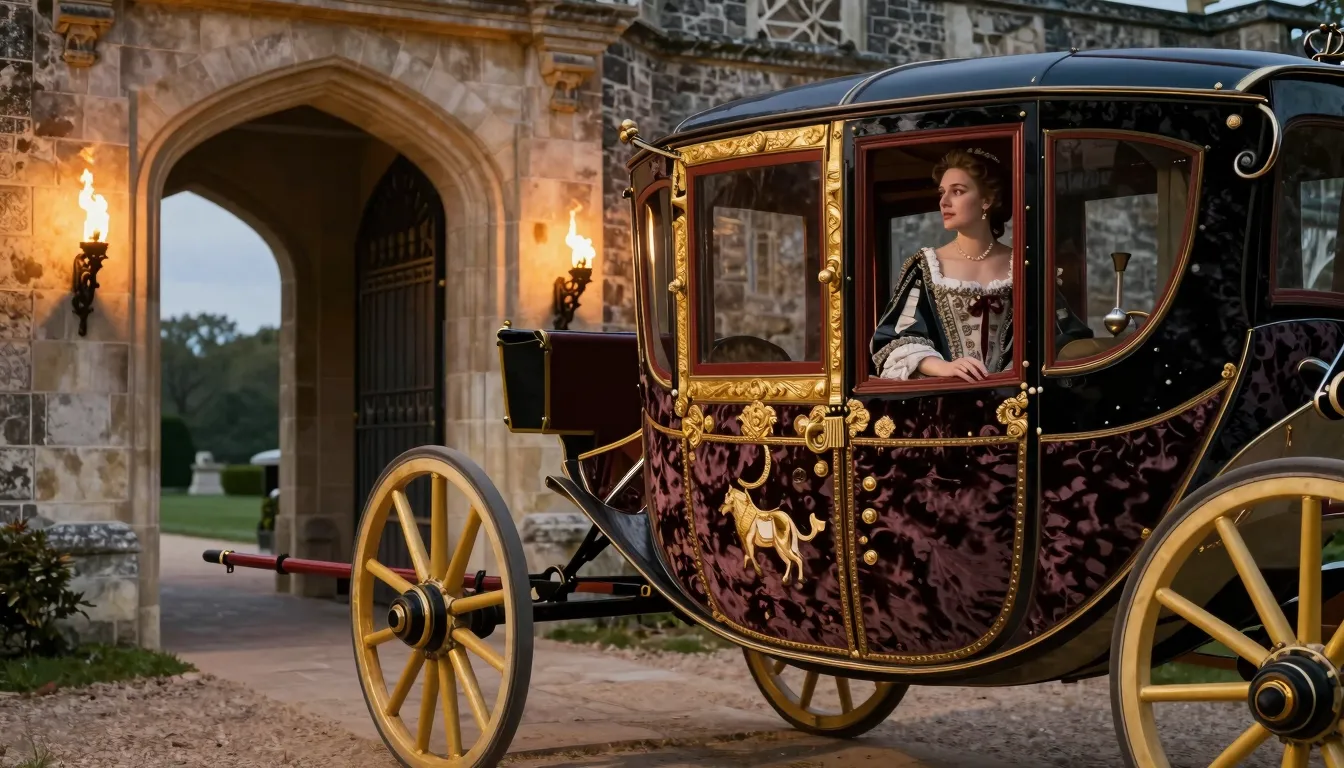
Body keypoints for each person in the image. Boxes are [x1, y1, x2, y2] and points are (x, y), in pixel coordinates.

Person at [870, 147, 1091, 382]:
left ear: (987, 200)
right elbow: (893, 340)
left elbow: (1065, 335)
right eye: (942, 192)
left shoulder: (1026, 267)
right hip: (946, 403)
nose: (944, 201)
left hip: (1018, 401)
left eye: (957, 191)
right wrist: (944, 367)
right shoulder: (925, 267)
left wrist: (1021, 368)